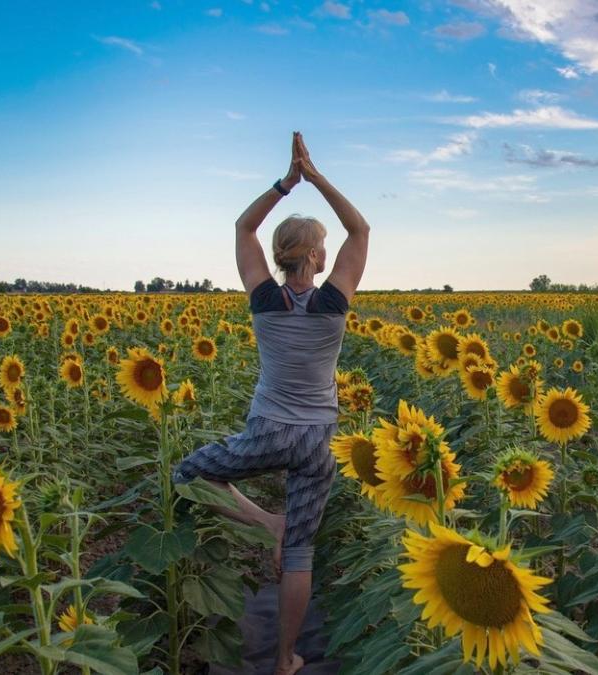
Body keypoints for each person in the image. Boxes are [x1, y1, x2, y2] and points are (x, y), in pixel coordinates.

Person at [171, 131, 369, 675]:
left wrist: (287, 182)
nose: (327, 252)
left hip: (266, 432)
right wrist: (317, 175)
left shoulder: (264, 299)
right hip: (316, 441)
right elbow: (361, 228)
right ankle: (285, 658)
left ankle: (264, 523)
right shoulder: (334, 302)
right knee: (301, 555)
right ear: (312, 255)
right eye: (321, 247)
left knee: (189, 473)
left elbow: (242, 228)